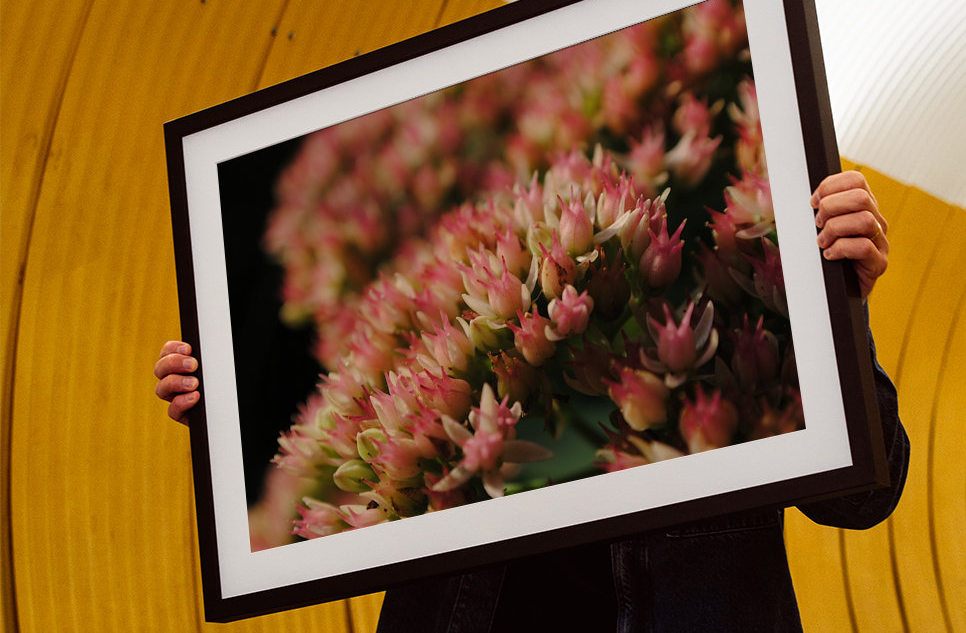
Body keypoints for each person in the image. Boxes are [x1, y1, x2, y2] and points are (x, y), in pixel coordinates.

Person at [155, 171, 908, 632]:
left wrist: (836, 303)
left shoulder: (741, 289)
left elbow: (865, 495)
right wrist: (229, 412)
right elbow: (344, 460)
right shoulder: (445, 343)